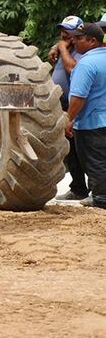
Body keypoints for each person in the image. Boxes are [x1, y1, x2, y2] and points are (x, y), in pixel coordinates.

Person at [66, 21, 106, 210]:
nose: (74, 41)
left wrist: (69, 118)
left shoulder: (86, 64)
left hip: (92, 123)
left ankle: (100, 198)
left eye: (79, 38)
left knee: (95, 161)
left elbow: (79, 97)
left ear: (92, 41)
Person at [49, 15, 89, 200]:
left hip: (78, 105)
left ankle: (97, 191)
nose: (63, 34)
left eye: (68, 31)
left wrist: (63, 48)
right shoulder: (66, 48)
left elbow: (73, 69)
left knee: (86, 149)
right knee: (70, 150)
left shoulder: (83, 50)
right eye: (62, 30)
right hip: (62, 105)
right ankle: (78, 188)